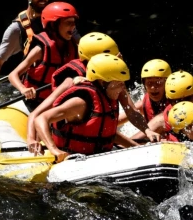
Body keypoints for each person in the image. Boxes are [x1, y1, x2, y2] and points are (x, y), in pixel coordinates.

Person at [26, 32, 161, 154]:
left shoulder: (114, 77)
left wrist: (146, 131)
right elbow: (37, 115)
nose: (117, 59)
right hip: (67, 137)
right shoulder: (73, 82)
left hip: (95, 137)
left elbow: (129, 112)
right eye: (111, 56)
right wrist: (32, 140)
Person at [33, 54, 141, 162]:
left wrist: (135, 146)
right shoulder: (80, 103)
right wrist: (54, 150)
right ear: (103, 82)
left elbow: (105, 134)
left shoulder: (107, 97)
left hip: (96, 157)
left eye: (123, 83)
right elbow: (40, 118)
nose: (123, 87)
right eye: (119, 83)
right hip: (72, 159)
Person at [8, 1, 79, 112]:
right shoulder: (40, 50)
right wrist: (23, 89)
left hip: (59, 102)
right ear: (53, 25)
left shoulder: (75, 47)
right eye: (68, 23)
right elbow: (13, 75)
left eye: (74, 22)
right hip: (35, 102)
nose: (73, 26)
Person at [118, 58, 172, 125]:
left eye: (158, 82)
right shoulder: (143, 105)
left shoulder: (176, 104)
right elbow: (114, 122)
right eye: (149, 83)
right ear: (144, 84)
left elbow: (154, 127)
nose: (153, 87)